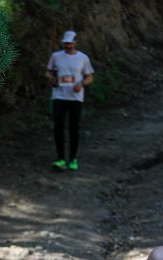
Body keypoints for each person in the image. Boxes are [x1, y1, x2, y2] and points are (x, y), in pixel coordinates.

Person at [45, 30, 94, 172]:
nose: (68, 46)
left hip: (75, 97)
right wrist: (51, 78)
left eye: (71, 43)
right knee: (58, 127)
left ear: (75, 42)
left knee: (74, 128)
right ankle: (60, 158)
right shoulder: (56, 56)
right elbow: (47, 71)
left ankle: (73, 158)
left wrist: (82, 84)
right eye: (66, 43)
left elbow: (90, 76)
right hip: (59, 95)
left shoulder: (83, 58)